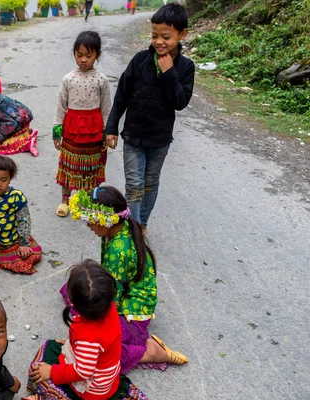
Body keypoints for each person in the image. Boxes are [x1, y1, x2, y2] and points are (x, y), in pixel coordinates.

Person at [67, 186, 188, 374]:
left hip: (131, 311)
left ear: (106, 220)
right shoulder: (118, 229)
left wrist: (86, 329)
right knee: (76, 290)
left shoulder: (119, 250)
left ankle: (149, 352)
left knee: (99, 355)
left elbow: (110, 296)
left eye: (89, 220)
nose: (87, 224)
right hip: (121, 292)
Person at [104, 3, 194, 235]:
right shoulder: (140, 60)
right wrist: (111, 127)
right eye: (155, 35)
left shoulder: (185, 67)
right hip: (133, 136)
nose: (159, 42)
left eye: (166, 36)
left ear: (182, 34)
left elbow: (180, 102)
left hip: (160, 140)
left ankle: (142, 222)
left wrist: (169, 73)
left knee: (150, 183)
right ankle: (132, 229)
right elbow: (122, 94)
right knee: (134, 185)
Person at [27, 260, 129, 400]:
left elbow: (83, 372)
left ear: (72, 302)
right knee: (54, 346)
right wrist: (73, 345)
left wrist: (52, 372)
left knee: (44, 356)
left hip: (92, 391)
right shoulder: (109, 306)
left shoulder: (87, 335)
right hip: (108, 379)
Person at [54, 31, 111, 218]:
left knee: (91, 166)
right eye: (79, 55)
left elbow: (106, 108)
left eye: (89, 55)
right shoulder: (68, 79)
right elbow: (61, 106)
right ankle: (65, 200)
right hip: (71, 130)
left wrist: (107, 133)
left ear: (98, 55)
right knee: (68, 164)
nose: (83, 60)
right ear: (74, 54)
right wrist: (57, 131)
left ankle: (86, 200)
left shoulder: (102, 80)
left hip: (94, 131)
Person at [0, 155, 42, 275]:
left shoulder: (16, 196)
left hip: (12, 237)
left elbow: (24, 220)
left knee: (30, 254)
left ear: (10, 179)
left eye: (4, 180)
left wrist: (23, 243)